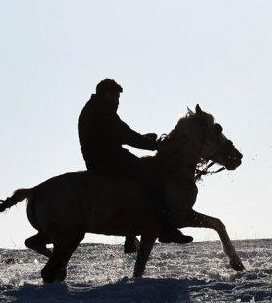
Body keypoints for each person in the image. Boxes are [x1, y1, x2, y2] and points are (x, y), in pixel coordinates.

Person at [78, 78, 192, 243]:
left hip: (101, 159)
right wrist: (154, 145)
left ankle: (130, 237)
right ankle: (167, 229)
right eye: (116, 96)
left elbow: (120, 134)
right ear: (108, 94)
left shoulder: (93, 108)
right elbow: (125, 135)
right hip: (111, 159)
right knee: (154, 180)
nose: (118, 101)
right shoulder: (102, 110)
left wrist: (146, 140)